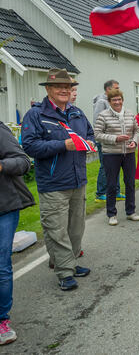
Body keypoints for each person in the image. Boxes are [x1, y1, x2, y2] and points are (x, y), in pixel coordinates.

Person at [21, 68, 94, 290]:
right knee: (57, 229)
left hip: (78, 180)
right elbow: (30, 146)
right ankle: (64, 271)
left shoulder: (77, 113)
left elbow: (89, 134)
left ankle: (69, 262)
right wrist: (63, 145)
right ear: (49, 89)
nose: (64, 90)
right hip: (53, 183)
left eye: (68, 87)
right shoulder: (35, 115)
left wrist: (89, 143)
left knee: (75, 228)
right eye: (59, 87)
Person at [0, 121, 35, 345]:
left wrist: (2, 165)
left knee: (0, 265)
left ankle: (1, 320)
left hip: (3, 207)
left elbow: (23, 162)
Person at [94, 89, 139, 225]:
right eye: (114, 100)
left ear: (122, 100)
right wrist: (115, 138)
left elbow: (137, 131)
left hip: (129, 153)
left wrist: (135, 141)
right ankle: (111, 214)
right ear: (109, 101)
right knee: (111, 184)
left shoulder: (129, 113)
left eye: (119, 99)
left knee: (130, 183)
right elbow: (97, 134)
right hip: (111, 154)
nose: (117, 102)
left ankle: (131, 211)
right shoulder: (103, 115)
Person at [92, 79, 123, 203]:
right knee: (105, 166)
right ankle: (100, 193)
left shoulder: (114, 101)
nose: (118, 90)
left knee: (116, 166)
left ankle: (116, 192)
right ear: (108, 89)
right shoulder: (101, 102)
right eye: (116, 87)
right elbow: (97, 122)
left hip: (115, 140)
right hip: (105, 140)